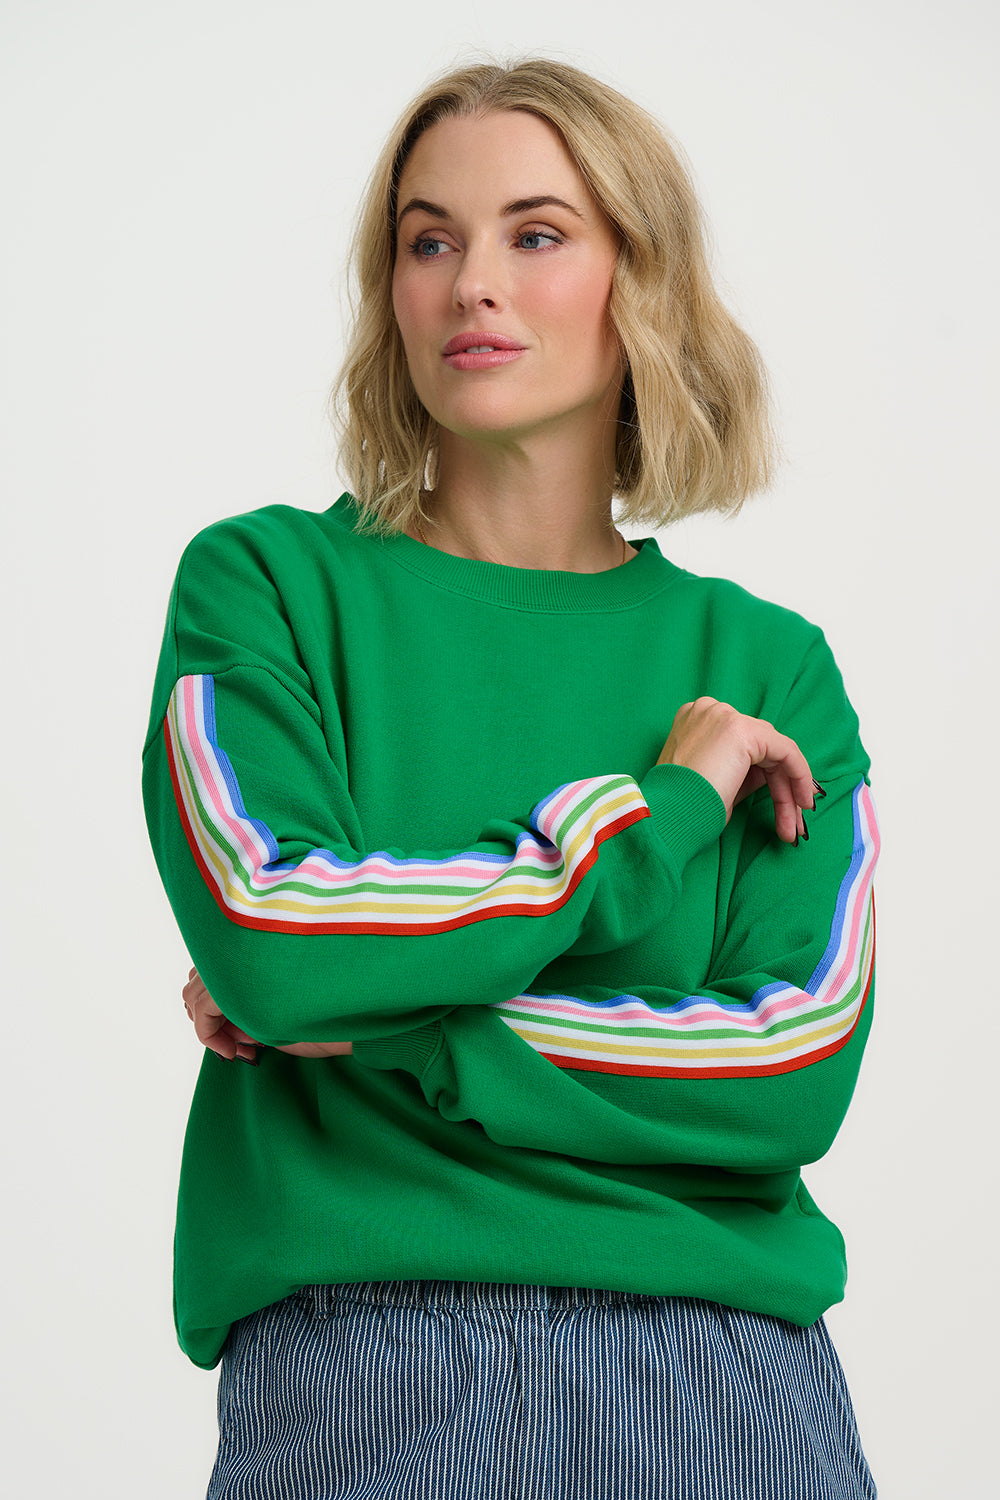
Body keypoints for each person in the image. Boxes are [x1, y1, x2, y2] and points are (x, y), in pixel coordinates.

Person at [143, 57, 879, 1500]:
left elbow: (785, 1068)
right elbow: (276, 931)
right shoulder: (267, 587)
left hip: (730, 1386)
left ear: (638, 284)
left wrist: (383, 1032)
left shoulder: (768, 669)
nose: (473, 282)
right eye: (431, 239)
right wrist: (654, 812)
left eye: (536, 234)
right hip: (369, 1378)